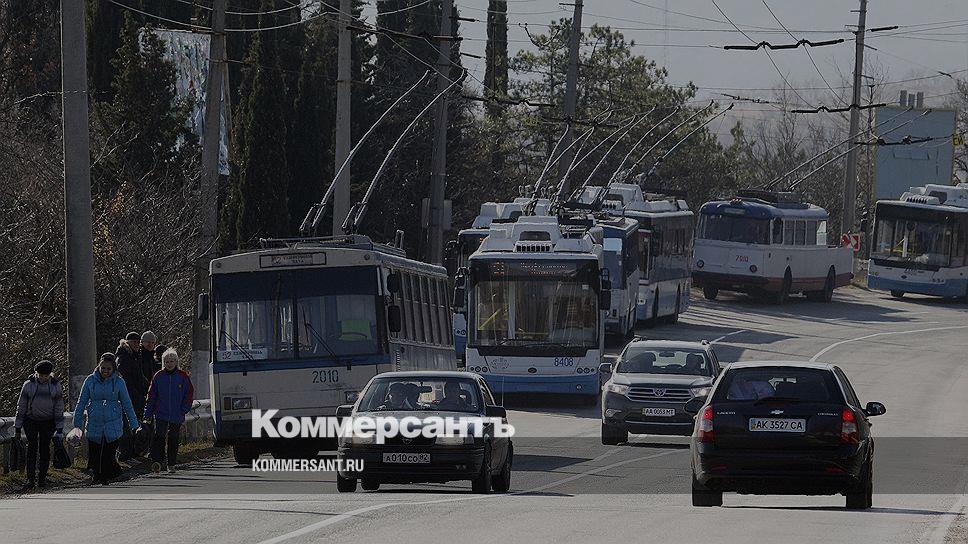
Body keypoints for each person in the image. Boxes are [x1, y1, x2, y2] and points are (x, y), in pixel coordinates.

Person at [73, 353, 141, 485]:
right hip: (94, 421)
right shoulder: (90, 381)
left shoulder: (119, 382)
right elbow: (81, 402)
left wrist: (134, 424)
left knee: (109, 453)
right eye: (103, 368)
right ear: (99, 367)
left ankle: (106, 475)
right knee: (95, 452)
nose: (105, 371)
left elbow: (127, 404)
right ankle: (97, 475)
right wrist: (77, 423)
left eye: (108, 369)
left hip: (113, 422)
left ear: (113, 369)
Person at [14, 360, 65, 489]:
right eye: (40, 375)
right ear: (36, 373)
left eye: (45, 376)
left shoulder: (55, 386)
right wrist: (18, 426)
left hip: (48, 421)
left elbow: (59, 407)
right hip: (31, 420)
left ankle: (42, 478)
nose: (43, 378)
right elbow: (21, 406)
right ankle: (30, 479)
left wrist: (59, 427)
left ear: (50, 374)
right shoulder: (28, 385)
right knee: (32, 447)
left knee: (44, 448)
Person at [144, 348, 194, 473]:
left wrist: (184, 409)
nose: (169, 364)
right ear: (163, 362)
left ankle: (171, 464)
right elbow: (151, 395)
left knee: (173, 438)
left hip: (177, 414)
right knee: (159, 437)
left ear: (176, 362)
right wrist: (148, 412)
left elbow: (188, 394)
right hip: (161, 413)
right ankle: (157, 462)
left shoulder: (183, 376)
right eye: (167, 361)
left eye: (172, 361)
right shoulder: (158, 376)